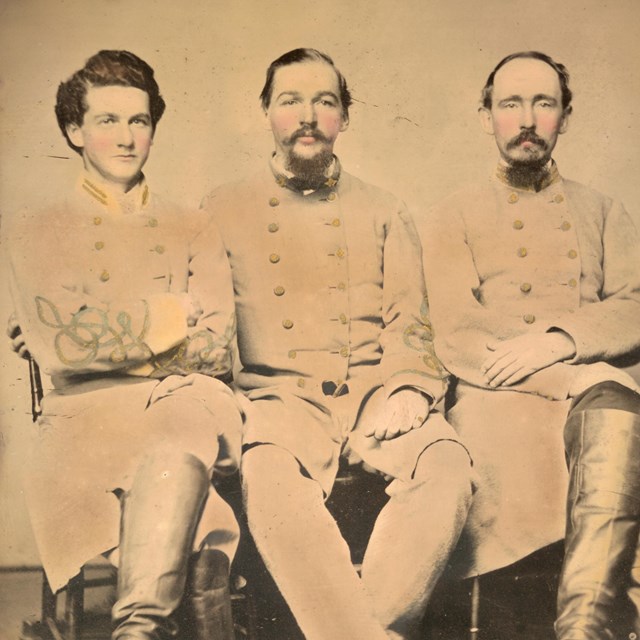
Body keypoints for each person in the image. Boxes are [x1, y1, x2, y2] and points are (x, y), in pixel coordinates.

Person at [201, 48, 475, 640]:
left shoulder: (384, 209)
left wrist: (408, 390)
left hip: (375, 397)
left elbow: (411, 324)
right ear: (266, 113)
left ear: (344, 117)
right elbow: (197, 318)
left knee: (448, 464)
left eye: (325, 101)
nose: (308, 114)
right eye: (290, 100)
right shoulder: (221, 209)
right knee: (270, 480)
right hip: (277, 403)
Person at [5, 50, 242, 640]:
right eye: (107, 120)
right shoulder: (38, 227)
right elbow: (64, 349)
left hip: (182, 402)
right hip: (80, 425)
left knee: (183, 417)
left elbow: (216, 348)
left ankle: (137, 629)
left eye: (139, 121)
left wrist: (101, 330)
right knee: (206, 530)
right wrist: (170, 315)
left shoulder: (192, 225)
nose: (126, 137)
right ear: (74, 130)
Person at [421, 51, 640, 639]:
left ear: (565, 117)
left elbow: (635, 304)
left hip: (592, 387)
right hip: (498, 395)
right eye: (510, 103)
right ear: (486, 115)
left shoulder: (602, 210)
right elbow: (457, 328)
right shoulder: (452, 214)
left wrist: (561, 341)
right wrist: (553, 374)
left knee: (619, 417)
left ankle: (584, 628)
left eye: (544, 103)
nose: (527, 119)